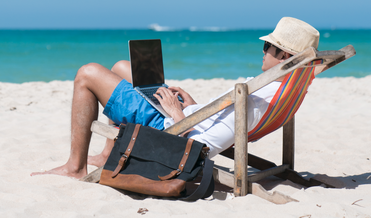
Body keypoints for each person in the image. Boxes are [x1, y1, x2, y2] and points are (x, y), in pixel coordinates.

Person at [31, 17, 326, 179]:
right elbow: (223, 122)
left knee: (87, 73)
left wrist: (176, 114)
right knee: (123, 68)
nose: (263, 51)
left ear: (285, 56)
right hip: (187, 119)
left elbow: (199, 146)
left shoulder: (257, 94)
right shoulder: (278, 87)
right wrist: (191, 103)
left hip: (172, 132)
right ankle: (109, 151)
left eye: (269, 47)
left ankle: (75, 166)